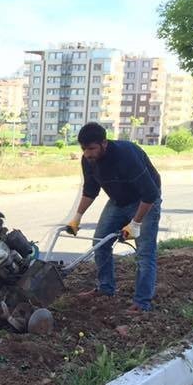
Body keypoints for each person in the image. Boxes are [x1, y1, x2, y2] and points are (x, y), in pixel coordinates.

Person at [64, 122, 162, 313]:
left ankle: (142, 303)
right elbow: (91, 190)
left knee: (145, 253)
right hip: (118, 201)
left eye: (91, 148)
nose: (87, 153)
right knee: (99, 243)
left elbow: (150, 193)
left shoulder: (126, 156)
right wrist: (77, 217)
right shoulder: (88, 160)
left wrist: (135, 223)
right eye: (84, 149)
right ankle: (105, 289)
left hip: (145, 201)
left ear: (104, 143)